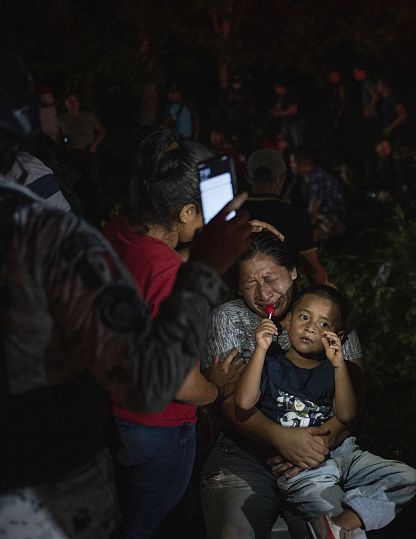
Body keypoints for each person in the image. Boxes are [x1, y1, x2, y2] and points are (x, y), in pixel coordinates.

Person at [0, 51, 253, 538]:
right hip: (61, 476)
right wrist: (216, 384)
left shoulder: (115, 233)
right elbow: (160, 380)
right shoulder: (51, 238)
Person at [102, 127, 245, 538]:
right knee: (149, 524)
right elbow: (183, 385)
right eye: (206, 212)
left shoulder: (120, 230)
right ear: (185, 213)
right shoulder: (166, 273)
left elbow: (155, 267)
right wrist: (215, 390)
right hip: (158, 427)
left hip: (115, 412)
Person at [200, 233, 364, 538]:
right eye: (250, 283)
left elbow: (352, 398)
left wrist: (313, 448)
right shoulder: (228, 319)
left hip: (318, 460)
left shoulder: (330, 312)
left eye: (271, 278)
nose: (263, 293)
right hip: (243, 456)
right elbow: (229, 401)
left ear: (293, 272)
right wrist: (281, 438)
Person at [234, 285, 416, 538]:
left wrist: (339, 364)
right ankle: (338, 526)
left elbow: (346, 415)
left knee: (406, 477)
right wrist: (261, 350)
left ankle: (342, 522)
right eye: (304, 317)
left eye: (323, 325)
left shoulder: (334, 370)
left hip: (344, 454)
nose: (311, 328)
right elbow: (243, 402)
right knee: (350, 535)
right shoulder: (271, 364)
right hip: (305, 470)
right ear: (287, 321)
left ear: (338, 336)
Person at [244, 149, 331, 286]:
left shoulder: (235, 215)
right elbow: (313, 270)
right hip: (285, 296)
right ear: (283, 178)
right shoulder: (294, 215)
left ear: (248, 177)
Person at [289, 148, 347, 243]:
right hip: (323, 217)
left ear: (302, 164)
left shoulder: (317, 179)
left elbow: (313, 213)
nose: (291, 166)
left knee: (303, 236)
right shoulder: (303, 178)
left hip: (334, 218)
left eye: (292, 162)